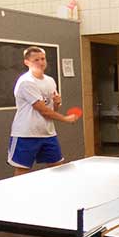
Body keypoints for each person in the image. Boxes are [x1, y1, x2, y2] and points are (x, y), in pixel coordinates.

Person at [8, 46, 79, 175]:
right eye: (36, 60)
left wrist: (57, 103)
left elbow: (50, 109)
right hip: (26, 134)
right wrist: (66, 119)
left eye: (43, 59)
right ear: (27, 62)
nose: (41, 62)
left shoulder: (50, 81)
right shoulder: (26, 82)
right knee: (22, 172)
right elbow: (43, 111)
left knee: (58, 168)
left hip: (48, 134)